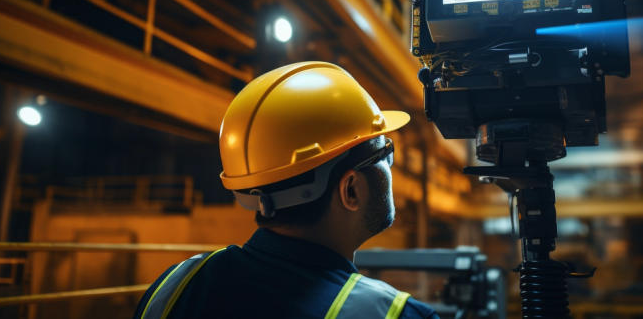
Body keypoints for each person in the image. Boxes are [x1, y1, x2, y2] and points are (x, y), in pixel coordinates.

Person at [134, 62, 439, 318]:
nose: (390, 166)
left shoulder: (172, 288)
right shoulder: (395, 314)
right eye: (384, 154)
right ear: (351, 190)